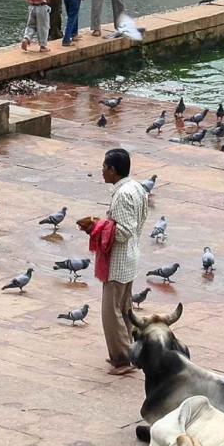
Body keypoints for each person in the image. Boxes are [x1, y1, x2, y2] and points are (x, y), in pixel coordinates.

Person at [78, 147, 148, 375]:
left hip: (118, 260)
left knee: (112, 312)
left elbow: (123, 231)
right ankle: (127, 353)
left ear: (113, 170)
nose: (102, 171)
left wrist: (99, 227)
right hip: (131, 255)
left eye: (104, 168)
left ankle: (122, 360)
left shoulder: (122, 195)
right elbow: (138, 221)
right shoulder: (137, 187)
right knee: (124, 308)